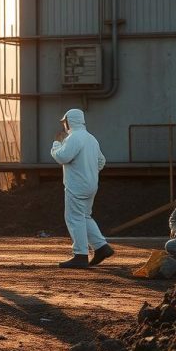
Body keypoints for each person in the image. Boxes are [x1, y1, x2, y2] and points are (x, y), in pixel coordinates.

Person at [51, 109, 115, 268]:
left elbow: (62, 157)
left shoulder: (73, 138)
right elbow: (101, 161)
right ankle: (101, 247)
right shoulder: (91, 138)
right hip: (91, 184)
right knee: (84, 216)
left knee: (74, 218)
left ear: (68, 121)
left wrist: (56, 145)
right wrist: (89, 171)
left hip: (76, 185)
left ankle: (80, 254)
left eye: (64, 122)